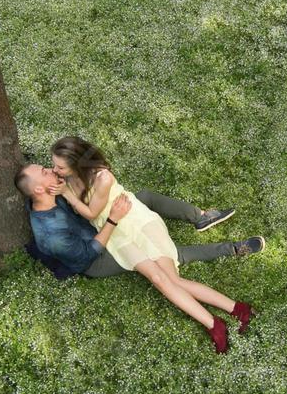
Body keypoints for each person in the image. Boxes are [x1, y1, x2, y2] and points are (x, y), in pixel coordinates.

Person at [16, 136, 261, 353]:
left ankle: (235, 310)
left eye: (58, 166)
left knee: (172, 277)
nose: (53, 170)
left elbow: (89, 213)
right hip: (117, 235)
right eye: (51, 167)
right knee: (159, 279)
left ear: (76, 162)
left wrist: (68, 195)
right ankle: (217, 321)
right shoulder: (64, 183)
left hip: (137, 223)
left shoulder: (100, 177)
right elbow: (58, 212)